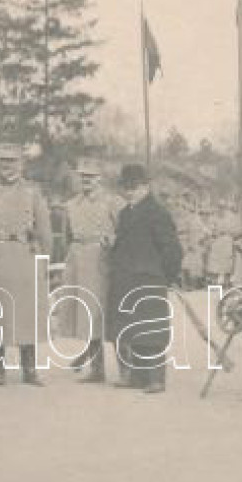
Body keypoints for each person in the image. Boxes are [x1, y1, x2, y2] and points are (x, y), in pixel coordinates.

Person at [0, 142, 53, 386]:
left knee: (27, 314)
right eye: (3, 160)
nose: (7, 165)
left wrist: (45, 261)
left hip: (25, 256)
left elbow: (45, 229)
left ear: (21, 163)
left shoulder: (33, 191)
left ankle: (30, 369)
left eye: (12, 160)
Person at [106, 164, 183, 394]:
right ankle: (136, 378)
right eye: (126, 187)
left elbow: (172, 250)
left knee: (152, 331)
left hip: (150, 279)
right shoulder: (125, 213)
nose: (129, 192)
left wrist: (164, 277)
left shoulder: (158, 213)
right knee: (131, 329)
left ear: (146, 187)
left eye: (134, 187)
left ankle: (156, 379)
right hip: (126, 279)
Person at [59, 158, 120, 383]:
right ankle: (97, 369)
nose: (86, 180)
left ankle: (126, 369)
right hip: (78, 260)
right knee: (86, 315)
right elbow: (66, 236)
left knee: (106, 314)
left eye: (91, 177)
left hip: (102, 262)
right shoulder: (71, 205)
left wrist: (111, 240)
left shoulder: (112, 202)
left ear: (99, 179)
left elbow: (124, 230)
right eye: (82, 176)